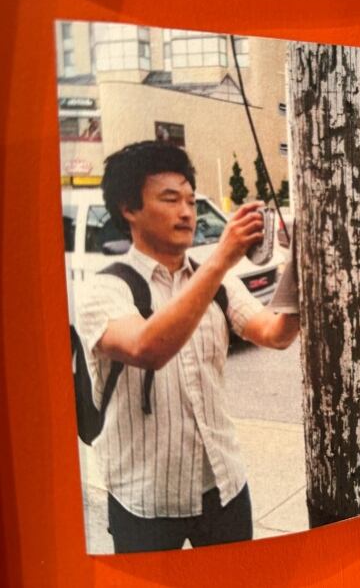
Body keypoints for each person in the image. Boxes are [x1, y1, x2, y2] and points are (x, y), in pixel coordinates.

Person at [77, 141, 300, 553]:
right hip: (143, 497)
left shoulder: (217, 283)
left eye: (190, 201)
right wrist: (221, 258)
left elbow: (274, 334)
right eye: (169, 199)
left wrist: (304, 268)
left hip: (224, 484)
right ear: (129, 209)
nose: (186, 212)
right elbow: (147, 349)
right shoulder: (105, 287)